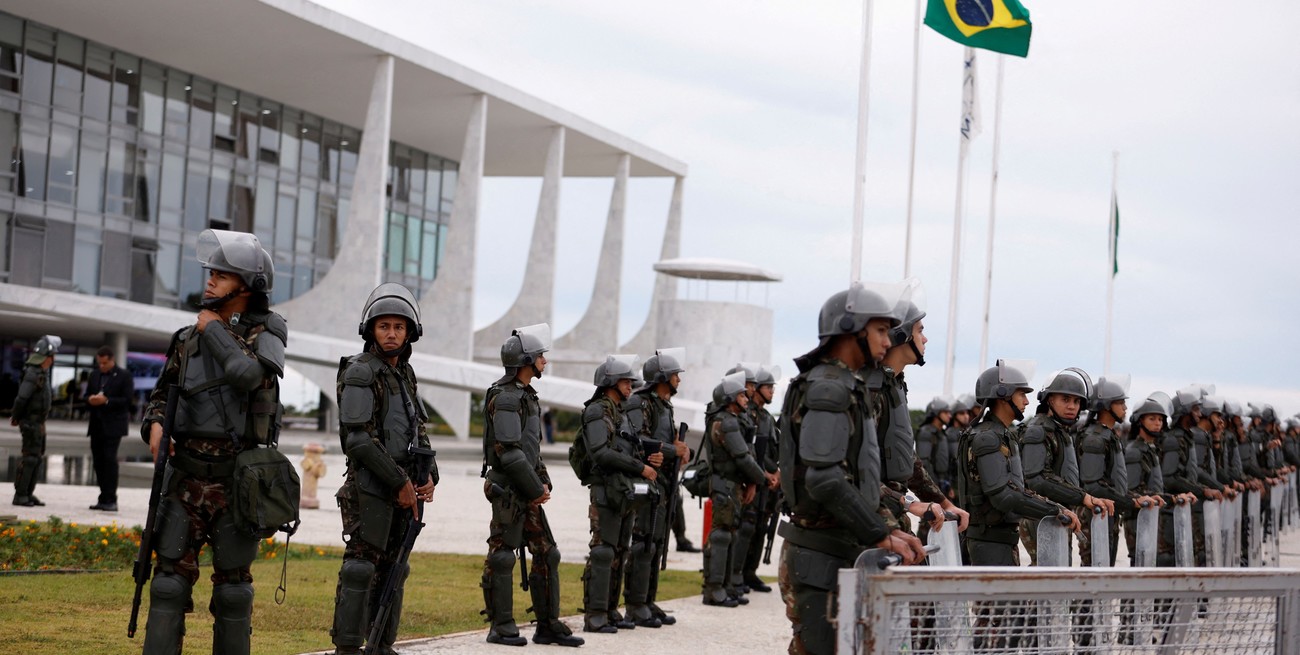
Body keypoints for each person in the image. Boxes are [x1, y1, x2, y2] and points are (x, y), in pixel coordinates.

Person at [138, 229, 287, 655]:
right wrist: (153, 426)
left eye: (221, 275)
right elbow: (163, 394)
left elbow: (248, 374)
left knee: (233, 593)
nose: (210, 281)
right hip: (185, 479)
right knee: (167, 585)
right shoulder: (187, 339)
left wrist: (214, 330)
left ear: (246, 285)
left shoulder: (268, 332)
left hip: (237, 482)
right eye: (211, 273)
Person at [777, 282, 926, 655]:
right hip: (818, 553)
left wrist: (892, 529)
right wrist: (880, 532)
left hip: (837, 549)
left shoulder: (849, 386)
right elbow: (825, 478)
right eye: (878, 330)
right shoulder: (828, 388)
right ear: (850, 331)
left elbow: (861, 481)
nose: (887, 339)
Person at [330, 283, 438, 655]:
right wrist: (399, 481)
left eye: (399, 327)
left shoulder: (404, 374)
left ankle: (381, 645)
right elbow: (358, 440)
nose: (392, 333)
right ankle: (348, 648)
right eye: (384, 326)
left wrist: (428, 477)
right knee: (361, 569)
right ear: (370, 330)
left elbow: (416, 428)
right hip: (370, 489)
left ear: (410, 333)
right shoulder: (361, 372)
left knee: (395, 567)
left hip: (405, 489)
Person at [480, 324, 583, 647]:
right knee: (502, 556)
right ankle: (501, 626)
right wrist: (535, 488)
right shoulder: (507, 397)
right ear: (525, 359)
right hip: (509, 490)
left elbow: (529, 447)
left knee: (547, 553)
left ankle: (548, 625)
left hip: (525, 487)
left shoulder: (525, 396)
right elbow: (509, 454)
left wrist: (542, 478)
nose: (544, 362)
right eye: (540, 356)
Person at [957, 360, 1078, 566]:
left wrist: (1055, 507)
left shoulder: (1001, 434)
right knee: (997, 600)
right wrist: (1054, 511)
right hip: (989, 542)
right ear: (1003, 395)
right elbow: (1004, 496)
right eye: (1022, 394)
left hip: (1000, 539)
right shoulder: (988, 438)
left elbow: (1016, 489)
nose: (1027, 401)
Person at [578, 355, 658, 634]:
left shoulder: (619, 410)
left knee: (619, 551)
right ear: (610, 382)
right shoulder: (598, 411)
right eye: (626, 381)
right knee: (603, 551)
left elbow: (626, 447)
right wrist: (641, 467)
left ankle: (611, 610)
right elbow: (600, 452)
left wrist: (649, 459)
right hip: (605, 489)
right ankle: (595, 614)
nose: (631, 385)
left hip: (622, 490)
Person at [621, 347, 690, 626]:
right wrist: (674, 451)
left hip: (663, 483)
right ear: (662, 377)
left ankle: (648, 601)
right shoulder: (641, 402)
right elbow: (640, 440)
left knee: (658, 542)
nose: (679, 380)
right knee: (643, 543)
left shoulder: (664, 405)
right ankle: (636, 604)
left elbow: (669, 443)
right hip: (646, 481)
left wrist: (683, 453)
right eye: (675, 375)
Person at [1017, 369, 1114, 565]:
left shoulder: (1059, 430)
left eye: (1077, 401)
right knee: (1048, 579)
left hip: (1057, 514)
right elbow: (1037, 479)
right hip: (1041, 516)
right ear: (1050, 400)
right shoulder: (1038, 431)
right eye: (1065, 399)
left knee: (1057, 575)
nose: (1072, 406)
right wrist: (1083, 497)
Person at [701, 370, 766, 607]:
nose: (746, 397)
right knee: (721, 535)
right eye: (741, 394)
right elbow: (742, 457)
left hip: (732, 485)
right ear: (730, 397)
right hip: (725, 485)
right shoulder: (726, 422)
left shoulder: (731, 420)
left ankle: (725, 586)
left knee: (729, 535)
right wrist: (763, 479)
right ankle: (714, 588)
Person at [740, 363, 782, 593]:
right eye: (768, 387)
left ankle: (750, 573)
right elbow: (754, 451)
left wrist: (777, 474)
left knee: (760, 528)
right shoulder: (747, 414)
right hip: (754, 478)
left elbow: (773, 450)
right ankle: (737, 574)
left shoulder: (767, 417)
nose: (772, 391)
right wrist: (767, 473)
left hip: (768, 481)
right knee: (746, 527)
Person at [11, 334, 59, 507]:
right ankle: (20, 495)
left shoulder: (41, 373)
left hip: (38, 423)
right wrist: (16, 417)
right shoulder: (33, 373)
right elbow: (21, 399)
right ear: (48, 357)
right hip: (31, 422)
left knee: (36, 458)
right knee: (30, 458)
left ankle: (28, 494)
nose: (53, 360)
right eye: (53, 357)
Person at [85, 345, 135, 512]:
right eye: (99, 363)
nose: (102, 366)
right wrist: (90, 399)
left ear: (112, 360)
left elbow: (127, 400)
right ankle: (103, 497)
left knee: (109, 460)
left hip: (113, 426)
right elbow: (87, 395)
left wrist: (106, 401)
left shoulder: (124, 376)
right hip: (96, 425)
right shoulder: (94, 375)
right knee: (98, 462)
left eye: (105, 363)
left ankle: (111, 499)